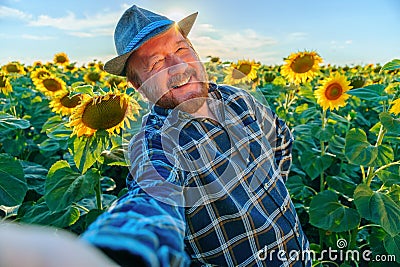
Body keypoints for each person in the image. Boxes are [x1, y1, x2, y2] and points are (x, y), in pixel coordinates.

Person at [81, 5, 312, 267]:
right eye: (156, 63)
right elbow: (151, 199)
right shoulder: (156, 144)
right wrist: (119, 250)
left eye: (181, 50)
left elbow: (280, 139)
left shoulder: (239, 99)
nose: (178, 67)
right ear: (139, 87)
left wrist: (268, 190)